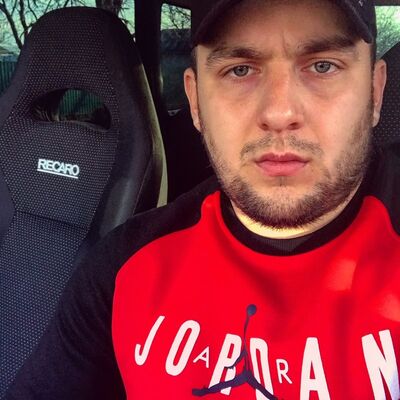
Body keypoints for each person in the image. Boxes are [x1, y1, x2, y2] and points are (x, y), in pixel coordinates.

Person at [5, 0, 399, 398]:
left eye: (323, 66)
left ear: (375, 91)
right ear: (195, 102)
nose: (280, 112)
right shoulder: (124, 269)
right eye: (239, 70)